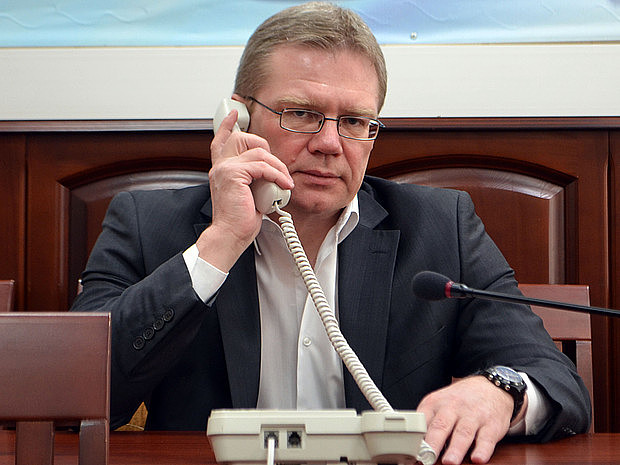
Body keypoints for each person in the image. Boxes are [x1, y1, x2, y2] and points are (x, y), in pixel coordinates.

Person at [71, 2, 591, 464]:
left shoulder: (440, 227)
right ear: (237, 118)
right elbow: (76, 393)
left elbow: (555, 379)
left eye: (356, 121)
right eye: (302, 114)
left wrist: (499, 392)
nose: (329, 143)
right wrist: (221, 242)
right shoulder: (146, 223)